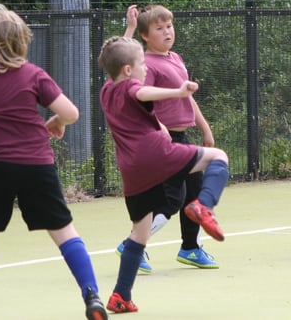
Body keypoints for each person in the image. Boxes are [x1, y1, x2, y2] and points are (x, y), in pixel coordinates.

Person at [0, 5, 107, 320]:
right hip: (36, 165)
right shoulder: (33, 74)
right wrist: (56, 120)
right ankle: (92, 296)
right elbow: (71, 113)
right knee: (64, 230)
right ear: (20, 40)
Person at [98, 35, 229, 313]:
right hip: (156, 152)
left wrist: (130, 29)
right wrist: (178, 92)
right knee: (219, 157)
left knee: (139, 234)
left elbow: (116, 58)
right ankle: (203, 204)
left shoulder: (106, 89)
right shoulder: (134, 85)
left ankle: (121, 295)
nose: (146, 69)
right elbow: (141, 92)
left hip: (132, 169)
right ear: (128, 70)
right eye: (142, 64)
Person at [114, 4, 219, 272]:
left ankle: (190, 248)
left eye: (169, 26)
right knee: (172, 199)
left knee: (194, 193)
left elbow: (187, 97)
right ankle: (131, 244)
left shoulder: (175, 58)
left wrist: (205, 128)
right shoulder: (145, 64)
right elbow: (139, 99)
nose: (167, 32)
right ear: (145, 36)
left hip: (181, 136)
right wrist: (159, 126)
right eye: (159, 28)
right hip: (162, 139)